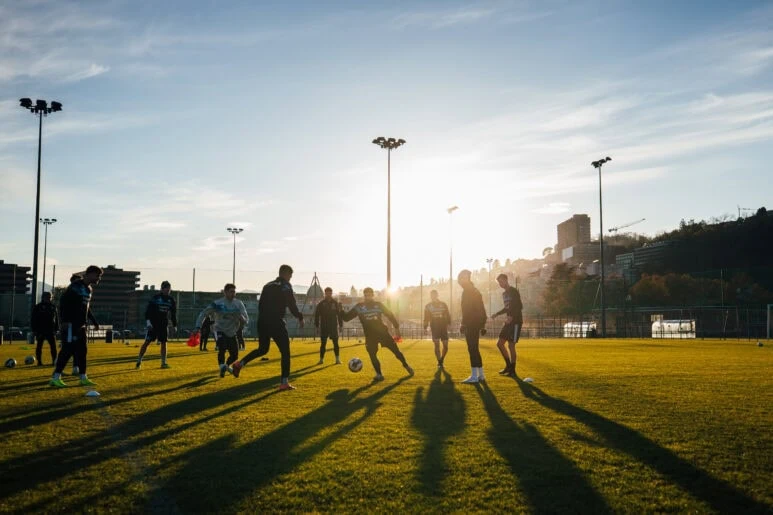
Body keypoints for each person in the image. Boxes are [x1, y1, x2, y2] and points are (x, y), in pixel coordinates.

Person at [231, 265, 304, 391]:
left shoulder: (267, 285)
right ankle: (284, 382)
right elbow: (292, 304)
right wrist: (300, 317)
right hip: (276, 321)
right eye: (290, 275)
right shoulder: (285, 285)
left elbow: (261, 305)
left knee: (263, 349)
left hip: (263, 321)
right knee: (285, 352)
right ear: (286, 274)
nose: (291, 278)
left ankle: (239, 364)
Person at [341, 287, 413, 382]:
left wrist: (396, 327)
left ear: (372, 295)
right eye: (366, 295)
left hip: (382, 333)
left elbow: (389, 314)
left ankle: (406, 366)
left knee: (396, 351)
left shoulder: (378, 305)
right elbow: (346, 318)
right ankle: (379, 374)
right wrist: (340, 310)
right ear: (364, 295)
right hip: (370, 336)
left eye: (370, 295)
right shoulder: (359, 307)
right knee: (372, 355)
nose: (368, 297)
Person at [49, 265, 102, 387]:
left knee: (83, 351)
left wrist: (94, 322)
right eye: (98, 275)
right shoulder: (75, 286)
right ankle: (55, 377)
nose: (99, 278)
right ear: (90, 274)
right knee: (67, 350)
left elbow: (86, 308)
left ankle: (83, 377)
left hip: (81, 325)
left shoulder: (88, 289)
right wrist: (65, 321)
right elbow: (63, 303)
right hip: (71, 324)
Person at [194, 283, 248, 377]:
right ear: (225, 292)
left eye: (234, 292)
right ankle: (222, 365)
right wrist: (198, 326)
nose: (233, 294)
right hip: (220, 330)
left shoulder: (238, 304)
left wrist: (243, 319)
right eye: (231, 292)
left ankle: (225, 366)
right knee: (222, 348)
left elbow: (246, 319)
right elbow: (203, 313)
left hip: (232, 332)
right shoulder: (217, 303)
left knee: (235, 355)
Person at [136, 281, 178, 369]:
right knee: (147, 342)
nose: (167, 290)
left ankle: (163, 362)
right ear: (162, 289)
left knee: (164, 342)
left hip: (163, 324)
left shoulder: (171, 300)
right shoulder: (155, 298)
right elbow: (148, 311)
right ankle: (139, 361)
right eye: (166, 288)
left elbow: (173, 314)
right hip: (153, 324)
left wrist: (174, 325)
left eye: (169, 288)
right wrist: (148, 322)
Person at [458, 269, 487, 384]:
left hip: (471, 323)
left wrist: (463, 323)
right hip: (476, 323)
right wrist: (483, 324)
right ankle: (481, 375)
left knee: (472, 348)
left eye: (462, 278)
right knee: (475, 348)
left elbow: (467, 310)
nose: (460, 280)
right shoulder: (474, 290)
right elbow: (482, 309)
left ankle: (474, 376)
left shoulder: (468, 291)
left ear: (467, 278)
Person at [491, 274, 523, 376]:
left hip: (516, 321)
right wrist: (497, 314)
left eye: (501, 281)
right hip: (508, 322)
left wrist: (512, 317)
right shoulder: (504, 294)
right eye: (499, 283)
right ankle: (508, 366)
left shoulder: (513, 291)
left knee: (511, 345)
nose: (500, 284)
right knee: (500, 344)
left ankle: (512, 370)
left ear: (506, 280)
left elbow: (519, 306)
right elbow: (507, 308)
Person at [314, 287, 343, 365]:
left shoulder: (335, 303)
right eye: (327, 293)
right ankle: (321, 360)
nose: (328, 294)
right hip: (324, 326)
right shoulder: (321, 304)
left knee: (336, 343)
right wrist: (317, 326)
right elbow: (316, 315)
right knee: (323, 344)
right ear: (325, 293)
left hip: (333, 326)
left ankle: (337, 359)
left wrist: (341, 325)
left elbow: (339, 315)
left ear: (331, 293)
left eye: (330, 293)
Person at [423, 289, 451, 369]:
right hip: (434, 325)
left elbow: (448, 315)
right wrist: (425, 327)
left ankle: (441, 359)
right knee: (437, 345)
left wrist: (449, 324)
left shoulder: (443, 304)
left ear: (437, 295)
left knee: (445, 346)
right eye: (432, 295)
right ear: (430, 296)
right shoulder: (427, 306)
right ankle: (439, 362)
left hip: (443, 325)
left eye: (434, 295)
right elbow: (426, 318)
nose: (433, 296)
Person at [31, 291, 59, 366]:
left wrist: (57, 328)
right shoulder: (38, 307)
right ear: (43, 298)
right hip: (40, 330)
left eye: (50, 297)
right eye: (47, 297)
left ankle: (54, 361)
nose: (49, 299)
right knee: (39, 346)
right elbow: (33, 319)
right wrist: (34, 330)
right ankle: (39, 362)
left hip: (51, 330)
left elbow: (56, 319)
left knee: (53, 346)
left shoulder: (53, 306)